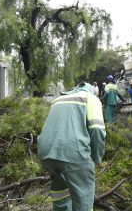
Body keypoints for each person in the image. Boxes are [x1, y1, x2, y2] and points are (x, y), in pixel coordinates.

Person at [37, 82, 106, 211]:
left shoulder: (58, 100)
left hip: (46, 152)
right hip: (73, 153)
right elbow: (97, 130)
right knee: (83, 197)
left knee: (60, 192)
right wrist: (97, 158)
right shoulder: (90, 98)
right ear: (92, 90)